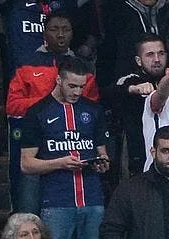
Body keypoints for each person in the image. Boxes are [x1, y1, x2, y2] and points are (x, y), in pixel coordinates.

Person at [20, 55, 111, 239]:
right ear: (59, 80)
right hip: (56, 201)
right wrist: (60, 163)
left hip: (93, 199)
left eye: (82, 87)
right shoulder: (37, 112)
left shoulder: (94, 110)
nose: (77, 92)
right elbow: (26, 164)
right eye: (72, 86)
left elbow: (103, 155)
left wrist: (102, 163)